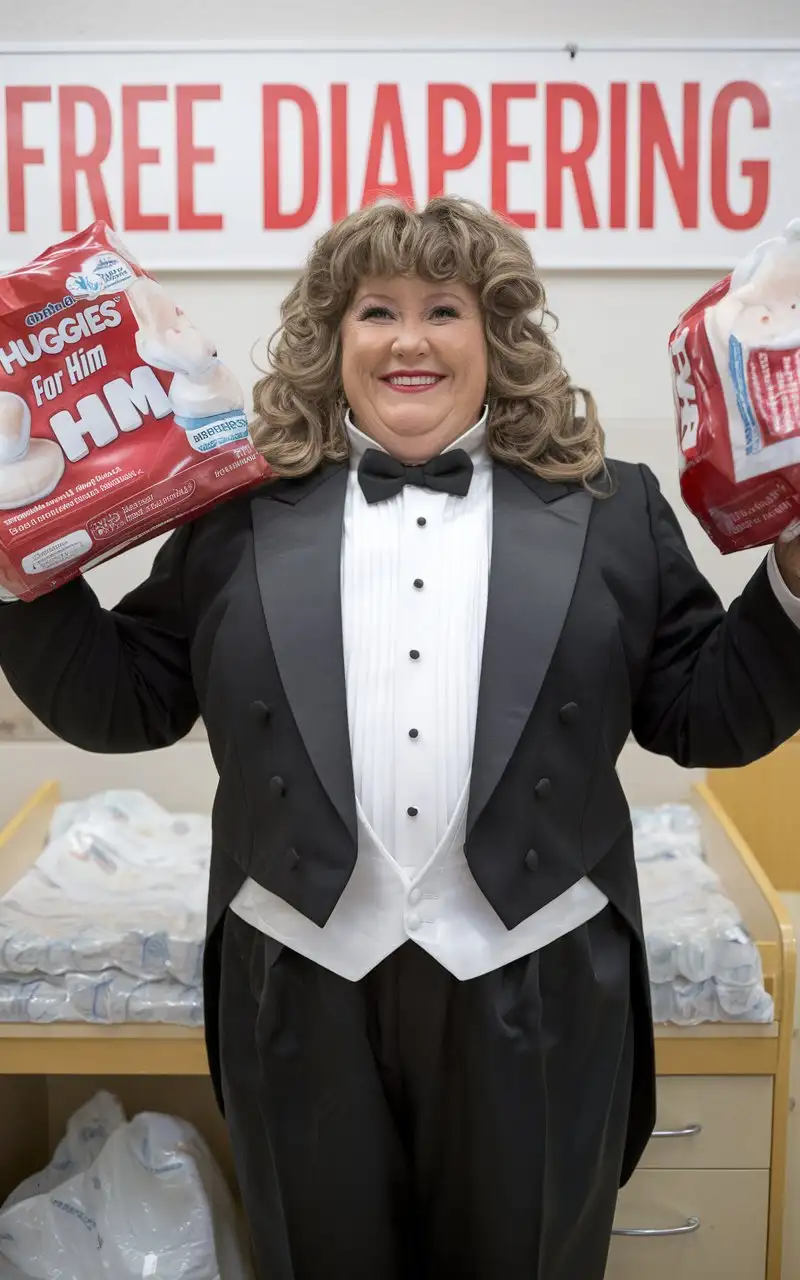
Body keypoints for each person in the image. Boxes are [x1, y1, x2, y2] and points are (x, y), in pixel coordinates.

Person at [2, 196, 800, 1280]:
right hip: (297, 979)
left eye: (444, 309)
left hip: (540, 979)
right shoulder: (231, 514)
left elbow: (705, 711)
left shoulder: (614, 509)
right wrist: (19, 575)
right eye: (377, 309)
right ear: (334, 336)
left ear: (496, 337)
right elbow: (124, 702)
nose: (410, 338)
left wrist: (793, 573)